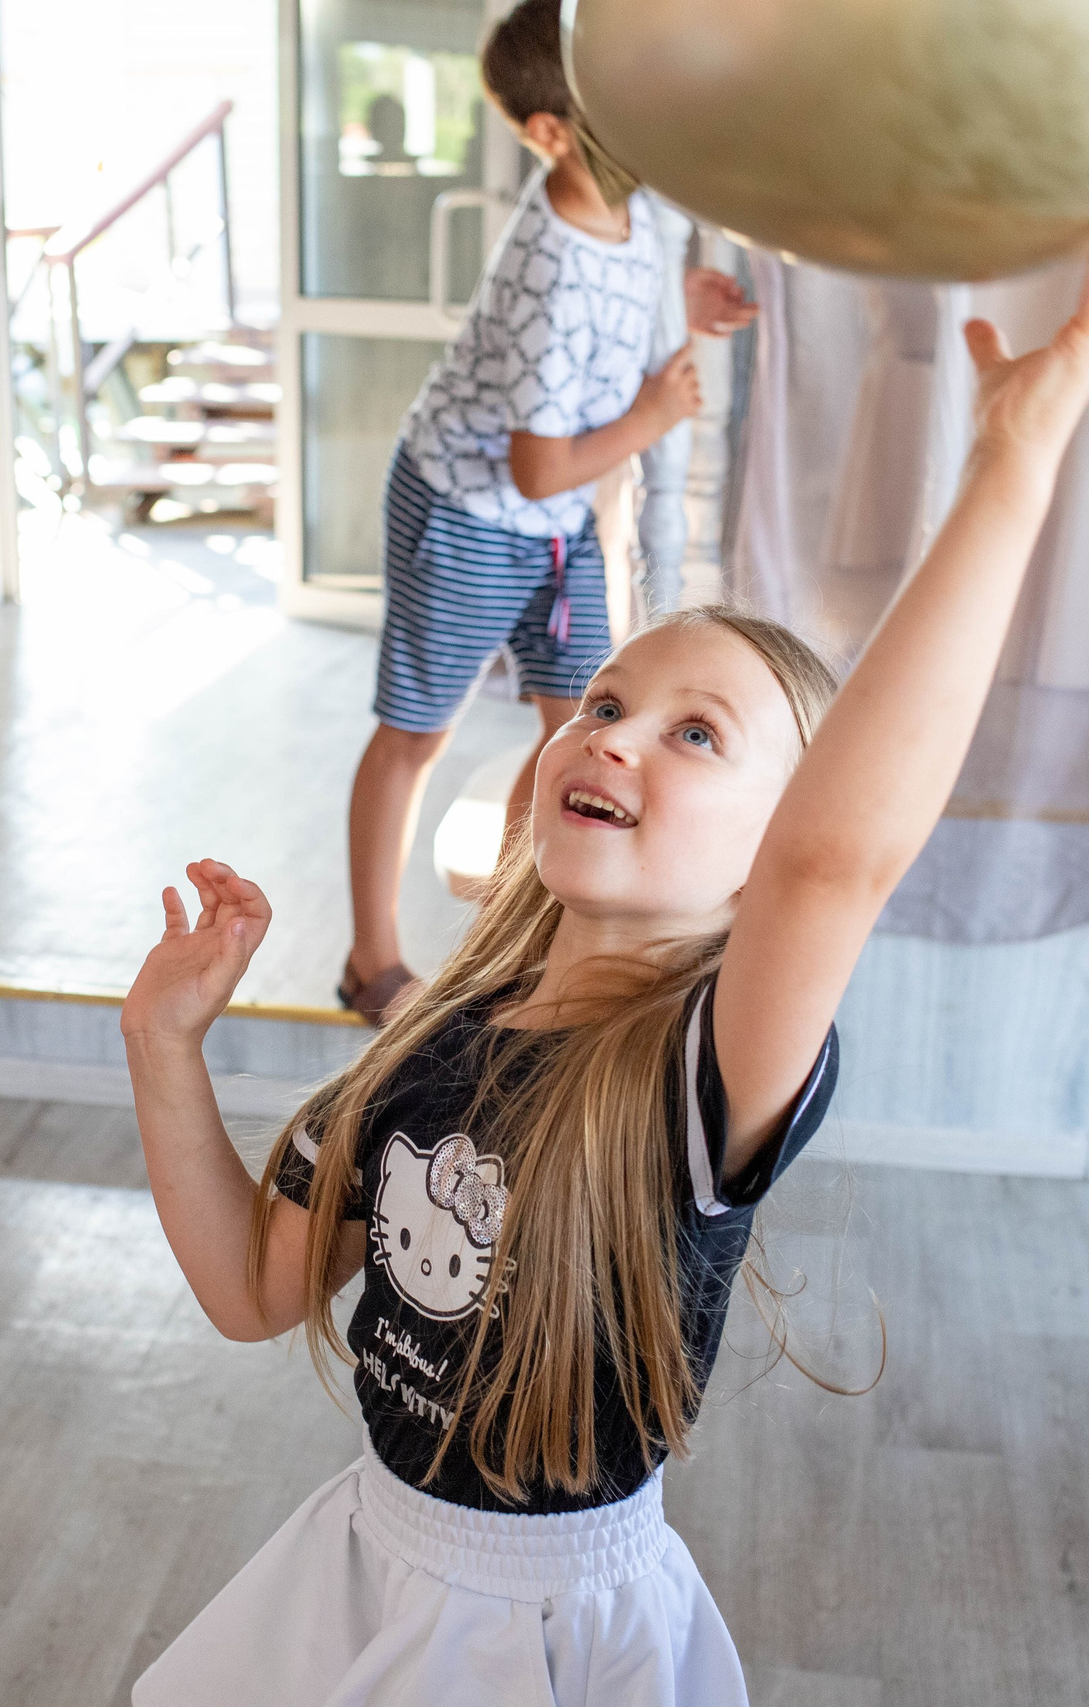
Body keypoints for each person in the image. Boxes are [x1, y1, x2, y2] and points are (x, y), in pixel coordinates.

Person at [122, 209, 1089, 1705]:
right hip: (361, 1561)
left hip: (549, 1630)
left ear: (774, 844)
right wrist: (164, 1048)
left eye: (699, 734)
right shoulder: (446, 1024)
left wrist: (1012, 454)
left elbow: (844, 853)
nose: (616, 731)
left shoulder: (710, 1064)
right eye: (609, 701)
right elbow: (252, 1288)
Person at [338, 0, 757, 1025]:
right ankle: (370, 960)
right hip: (473, 510)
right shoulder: (547, 266)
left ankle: (514, 939)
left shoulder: (636, 204)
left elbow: (640, 284)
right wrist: (657, 408)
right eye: (614, 102)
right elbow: (533, 468)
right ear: (548, 133)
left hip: (561, 520)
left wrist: (682, 300)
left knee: (571, 722)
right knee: (415, 733)